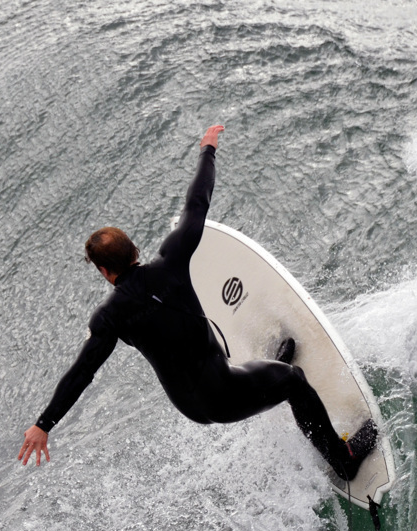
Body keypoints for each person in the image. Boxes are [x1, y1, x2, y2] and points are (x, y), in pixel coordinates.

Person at [18, 124, 376, 479]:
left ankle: (263, 374)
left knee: (229, 357)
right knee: (295, 380)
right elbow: (197, 201)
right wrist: (208, 148)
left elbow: (82, 372)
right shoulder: (171, 259)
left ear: (103, 271)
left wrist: (43, 424)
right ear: (134, 251)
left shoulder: (108, 318)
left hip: (193, 406)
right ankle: (342, 460)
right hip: (224, 392)